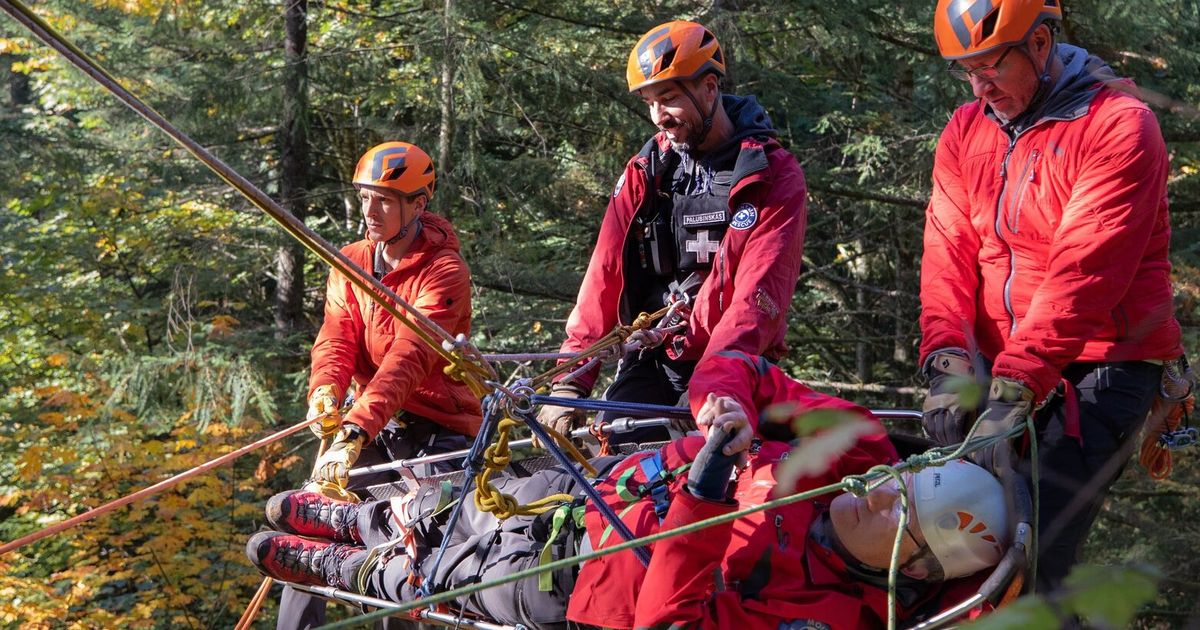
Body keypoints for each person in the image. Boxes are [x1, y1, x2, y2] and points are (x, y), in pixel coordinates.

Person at [249, 353, 1010, 629]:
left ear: (910, 569)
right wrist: (723, 402)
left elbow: (669, 624)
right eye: (901, 477)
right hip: (587, 491)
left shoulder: (823, 618)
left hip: (580, 588)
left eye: (900, 507)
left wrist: (706, 499)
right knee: (442, 508)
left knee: (429, 577)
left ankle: (338, 567)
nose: (879, 488)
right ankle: (352, 518)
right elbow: (749, 367)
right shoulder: (858, 447)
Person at [919, 0, 1184, 594]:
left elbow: (1083, 274)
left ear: (1040, 45)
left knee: (1030, 554)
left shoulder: (1118, 124)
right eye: (967, 71)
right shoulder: (966, 129)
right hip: (1001, 363)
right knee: (955, 541)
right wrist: (947, 361)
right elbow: (947, 255)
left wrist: (1014, 386)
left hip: (1102, 364)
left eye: (991, 65)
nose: (980, 86)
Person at [536, 21, 808, 446]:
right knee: (616, 471)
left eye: (670, 98)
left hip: (731, 361)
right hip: (650, 356)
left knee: (712, 480)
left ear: (710, 89)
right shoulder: (647, 172)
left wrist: (717, 379)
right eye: (650, 102)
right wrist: (571, 378)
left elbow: (760, 292)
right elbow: (604, 275)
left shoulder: (770, 174)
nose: (659, 116)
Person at [280, 141, 484, 629]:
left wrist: (353, 433)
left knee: (408, 545)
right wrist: (325, 392)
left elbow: (408, 359)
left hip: (438, 427)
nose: (369, 211)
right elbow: (336, 338)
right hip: (373, 423)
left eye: (384, 201)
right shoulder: (350, 260)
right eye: (365, 197)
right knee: (308, 526)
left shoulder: (445, 272)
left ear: (418, 204)